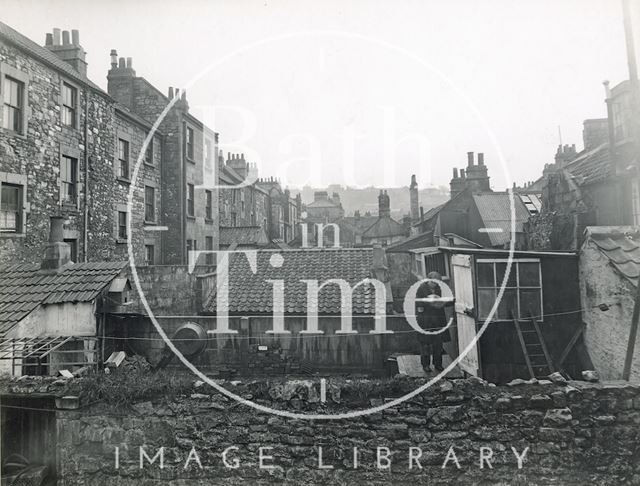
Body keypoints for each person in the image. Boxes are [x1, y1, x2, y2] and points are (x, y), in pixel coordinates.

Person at [415, 271, 453, 372]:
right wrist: (428, 302)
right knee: (425, 345)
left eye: (437, 283)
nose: (435, 285)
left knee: (438, 345)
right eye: (433, 282)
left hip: (438, 321)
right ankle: (425, 365)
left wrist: (445, 302)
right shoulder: (421, 288)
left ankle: (438, 364)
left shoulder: (440, 289)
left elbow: (448, 301)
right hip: (425, 322)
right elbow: (416, 302)